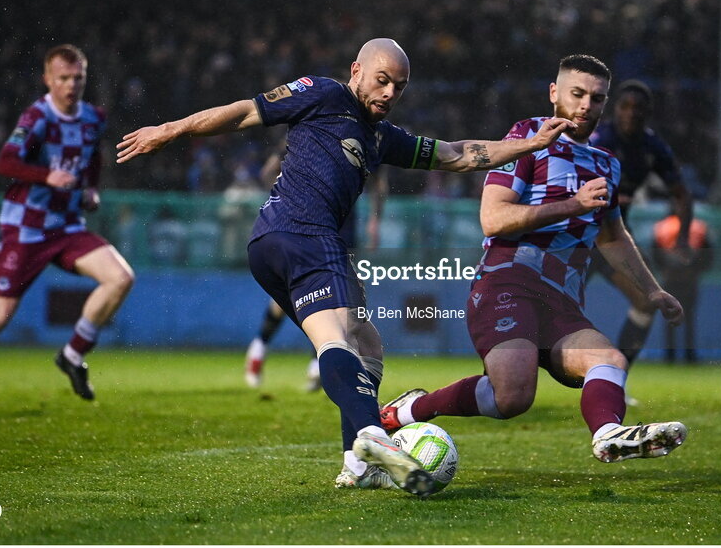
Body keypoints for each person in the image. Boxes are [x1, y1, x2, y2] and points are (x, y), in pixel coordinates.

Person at [115, 38, 576, 496]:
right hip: (306, 234)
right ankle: (371, 436)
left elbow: (456, 154)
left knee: (365, 342)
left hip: (272, 245)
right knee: (340, 336)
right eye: (382, 80)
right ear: (356, 70)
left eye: (399, 86)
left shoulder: (381, 137)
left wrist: (529, 145)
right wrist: (171, 129)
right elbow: (244, 112)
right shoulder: (324, 92)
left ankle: (357, 465)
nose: (390, 93)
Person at [379, 55, 689, 464]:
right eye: (576, 94)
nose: (585, 106)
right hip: (508, 283)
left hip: (561, 301)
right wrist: (572, 204)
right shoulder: (526, 137)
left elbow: (613, 236)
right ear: (554, 93)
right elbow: (493, 219)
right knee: (512, 397)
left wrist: (652, 290)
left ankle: (608, 434)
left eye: (596, 99)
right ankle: (408, 410)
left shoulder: (606, 164)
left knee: (609, 360)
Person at [0, 44, 135, 408]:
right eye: (63, 78)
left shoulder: (94, 117)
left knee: (121, 277)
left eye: (78, 78)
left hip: (66, 227)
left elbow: (93, 156)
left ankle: (73, 354)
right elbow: (5, 162)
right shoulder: (37, 118)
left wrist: (91, 188)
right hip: (26, 230)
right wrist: (47, 175)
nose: (71, 85)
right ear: (48, 79)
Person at [243, 147, 387, 393]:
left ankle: (314, 362)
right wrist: (284, 198)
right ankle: (261, 347)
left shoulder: (367, 137)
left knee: (338, 296)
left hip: (341, 225)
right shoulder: (313, 128)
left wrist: (374, 220)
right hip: (308, 222)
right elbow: (269, 170)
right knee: (301, 295)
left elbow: (379, 184)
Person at [588, 80, 693, 367]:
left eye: (638, 108)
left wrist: (682, 238)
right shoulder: (598, 141)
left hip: (614, 239)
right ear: (614, 110)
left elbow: (682, 195)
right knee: (549, 306)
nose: (631, 113)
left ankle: (616, 378)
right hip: (578, 238)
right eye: (625, 106)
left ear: (648, 113)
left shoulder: (652, 147)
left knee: (647, 301)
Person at [652, 209, 713, 363]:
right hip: (689, 279)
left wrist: (666, 268)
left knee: (670, 317)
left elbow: (655, 254)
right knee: (689, 318)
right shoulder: (698, 227)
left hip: (670, 278)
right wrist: (696, 269)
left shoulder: (662, 227)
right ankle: (689, 355)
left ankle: (670, 355)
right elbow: (708, 253)